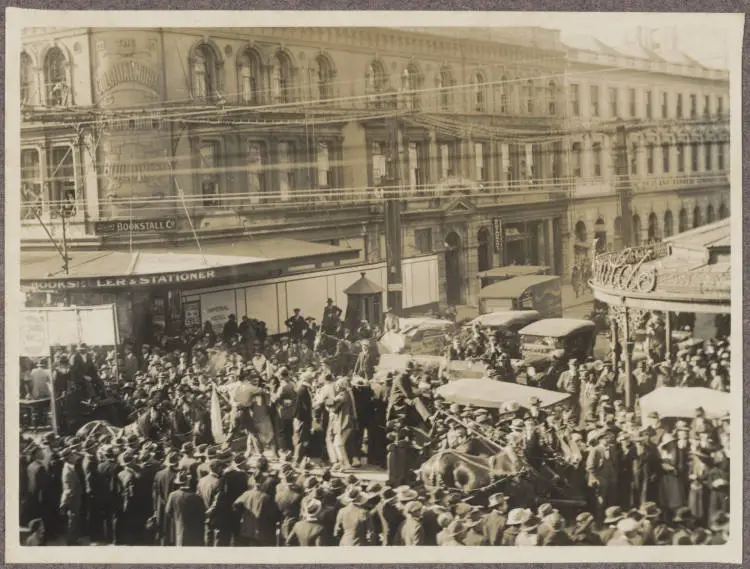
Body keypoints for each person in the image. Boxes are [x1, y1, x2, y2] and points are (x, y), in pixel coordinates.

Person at [164, 472, 205, 546]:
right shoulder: (196, 497)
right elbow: (202, 514)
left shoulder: (173, 495)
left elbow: (168, 511)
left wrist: (177, 517)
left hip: (178, 527)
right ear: (188, 482)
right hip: (194, 529)